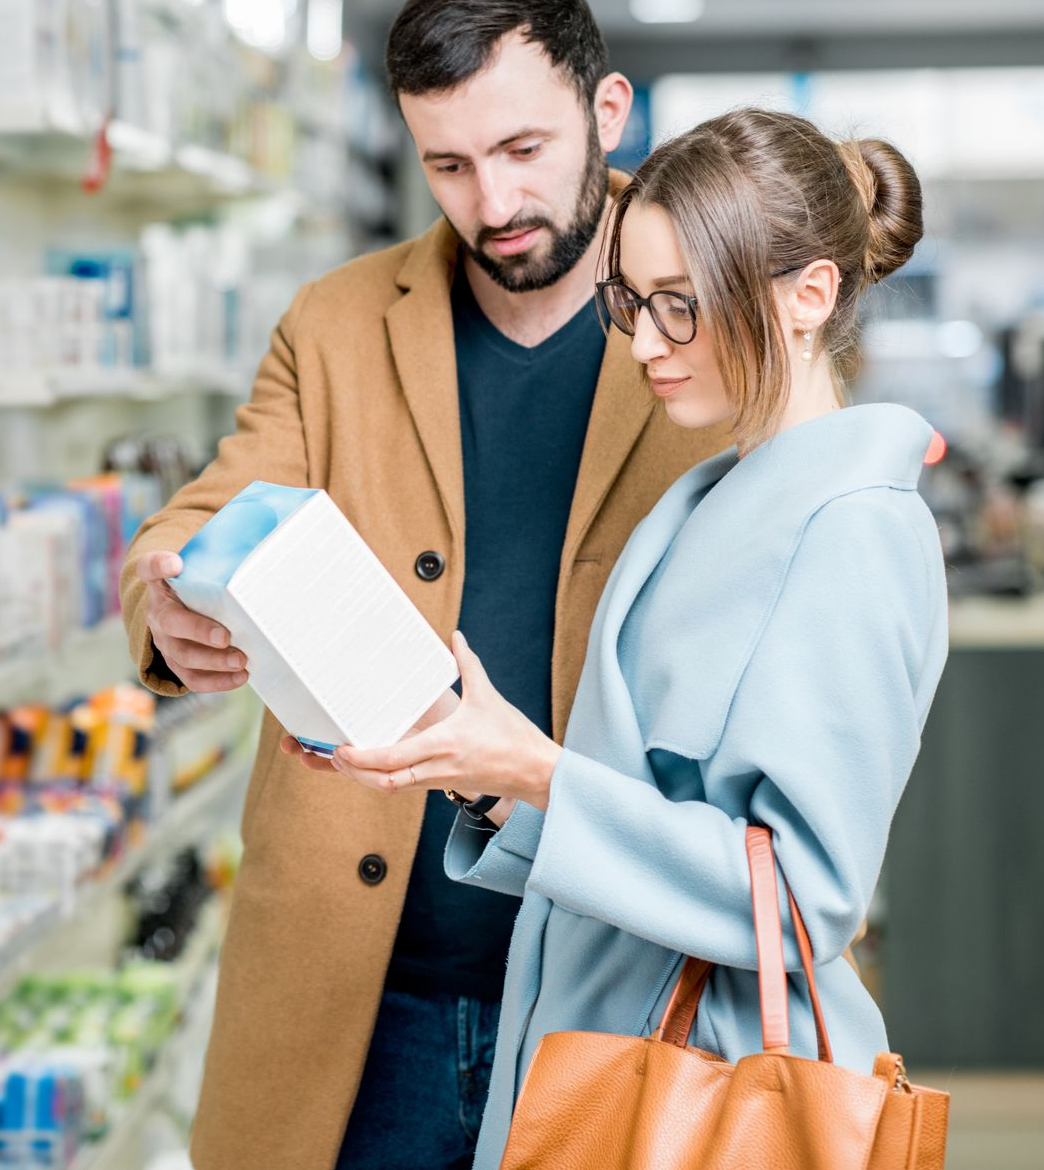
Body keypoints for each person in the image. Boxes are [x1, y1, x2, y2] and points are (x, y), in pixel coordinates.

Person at [120, 0, 727, 1170]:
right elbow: (209, 508)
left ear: (609, 114)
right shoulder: (339, 321)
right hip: (361, 992)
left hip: (617, 982)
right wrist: (165, 593)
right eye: (447, 164)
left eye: (522, 150)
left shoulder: (715, 312)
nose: (492, 202)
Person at [329, 107, 949, 1169]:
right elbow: (647, 809)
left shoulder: (854, 530)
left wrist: (541, 772)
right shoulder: (712, 493)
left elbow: (803, 897)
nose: (649, 344)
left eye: (682, 306)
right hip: (603, 1045)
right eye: (631, 302)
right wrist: (487, 772)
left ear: (809, 295)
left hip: (703, 1087)